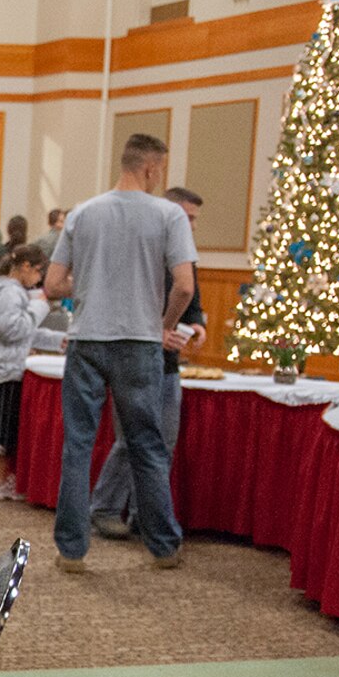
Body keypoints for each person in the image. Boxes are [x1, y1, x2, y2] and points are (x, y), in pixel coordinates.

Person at [45, 134, 196, 572]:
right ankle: (164, 546)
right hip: (139, 341)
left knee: (78, 445)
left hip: (88, 339)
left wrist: (92, 286)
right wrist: (164, 324)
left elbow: (54, 285)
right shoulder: (168, 214)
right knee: (146, 444)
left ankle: (71, 551)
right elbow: (184, 285)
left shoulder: (83, 214)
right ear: (151, 168)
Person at [90, 186, 207, 541]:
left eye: (194, 220)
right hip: (133, 360)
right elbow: (119, 305)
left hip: (168, 365)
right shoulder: (140, 250)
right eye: (186, 217)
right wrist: (159, 331)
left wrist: (198, 324)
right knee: (131, 440)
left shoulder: (184, 255)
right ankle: (105, 508)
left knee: (163, 445)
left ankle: (146, 513)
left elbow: (192, 299)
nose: (190, 225)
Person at [0, 243, 56, 500]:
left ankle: (3, 479)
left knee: (6, 426)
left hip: (6, 364)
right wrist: (41, 306)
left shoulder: (12, 291)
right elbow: (14, 330)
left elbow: (24, 332)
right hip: (4, 369)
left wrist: (57, 340)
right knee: (0, 429)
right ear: (25, 267)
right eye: (38, 271)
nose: (39, 278)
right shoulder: (11, 292)